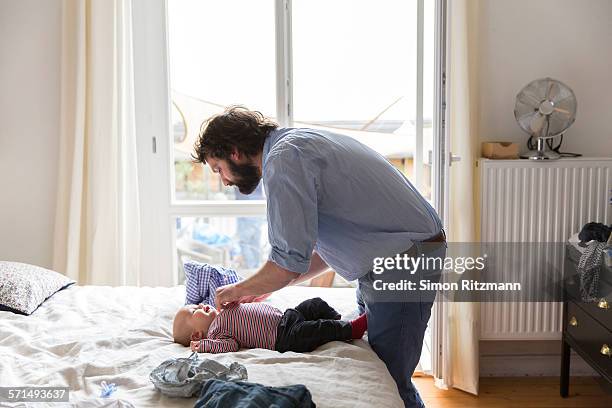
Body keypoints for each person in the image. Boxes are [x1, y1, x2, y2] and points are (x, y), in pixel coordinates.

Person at [192, 106, 446, 408]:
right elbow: (316, 251)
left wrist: (238, 289)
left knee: (390, 380)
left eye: (218, 168)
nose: (223, 181)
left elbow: (287, 262)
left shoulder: (284, 161)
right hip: (388, 256)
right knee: (378, 367)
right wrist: (266, 288)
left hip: (404, 259)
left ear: (234, 152)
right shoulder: (292, 145)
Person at [172, 298, 368, 353]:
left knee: (314, 304)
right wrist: (204, 347)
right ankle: (350, 329)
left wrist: (236, 300)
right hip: (283, 338)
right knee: (316, 329)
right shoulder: (216, 333)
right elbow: (229, 346)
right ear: (196, 335)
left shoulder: (224, 310)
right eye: (193, 310)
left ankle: (337, 321)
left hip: (286, 317)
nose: (199, 305)